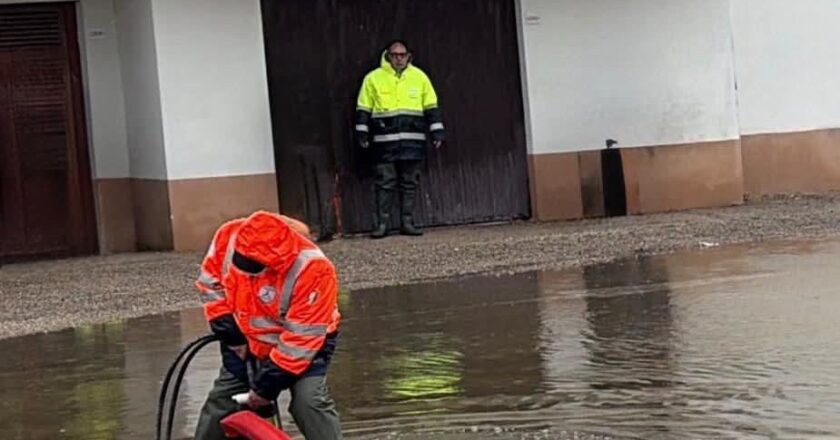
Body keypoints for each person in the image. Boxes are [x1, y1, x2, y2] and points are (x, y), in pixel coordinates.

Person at [193, 210, 343, 440]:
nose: (243, 270)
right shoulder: (228, 235)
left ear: (274, 263)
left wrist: (264, 389)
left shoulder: (315, 270)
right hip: (242, 341)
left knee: (309, 402)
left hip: (305, 348)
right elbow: (210, 285)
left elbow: (300, 344)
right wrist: (231, 335)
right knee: (222, 403)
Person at [355, 40, 445, 239]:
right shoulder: (373, 79)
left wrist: (437, 132)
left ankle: (407, 222)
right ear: (388, 56)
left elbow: (431, 107)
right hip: (383, 143)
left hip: (412, 143)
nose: (399, 58)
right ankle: (382, 225)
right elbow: (363, 108)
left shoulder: (420, 78)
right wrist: (362, 133)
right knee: (385, 183)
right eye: (395, 55)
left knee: (409, 182)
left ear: (408, 56)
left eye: (402, 55)